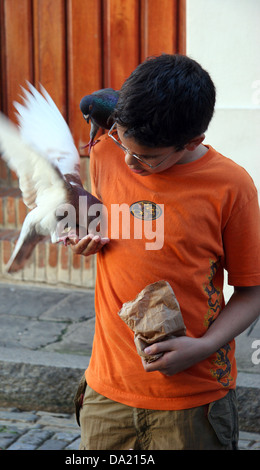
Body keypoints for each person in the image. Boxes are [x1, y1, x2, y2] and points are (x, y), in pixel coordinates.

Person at [64, 54, 260, 450]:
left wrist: (203, 347)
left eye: (147, 158)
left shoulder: (231, 187)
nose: (128, 162)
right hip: (108, 390)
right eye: (122, 143)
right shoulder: (105, 152)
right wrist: (83, 235)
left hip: (193, 400)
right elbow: (107, 222)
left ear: (192, 142)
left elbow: (253, 290)